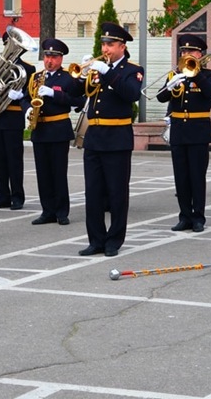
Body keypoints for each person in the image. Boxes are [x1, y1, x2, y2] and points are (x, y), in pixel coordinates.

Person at [73, 23, 143, 257]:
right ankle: (96, 240)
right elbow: (80, 95)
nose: (106, 48)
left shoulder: (132, 69)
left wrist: (108, 72)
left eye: (110, 44)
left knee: (116, 193)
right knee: (92, 192)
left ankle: (114, 240)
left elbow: (132, 94)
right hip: (94, 138)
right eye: (103, 44)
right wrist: (81, 77)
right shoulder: (96, 69)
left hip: (117, 138)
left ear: (122, 46)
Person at [157, 33, 211, 233]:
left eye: (190, 51)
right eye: (183, 51)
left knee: (197, 176)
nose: (186, 54)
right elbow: (160, 97)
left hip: (198, 131)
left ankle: (198, 217)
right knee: (181, 177)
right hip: (179, 131)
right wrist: (171, 84)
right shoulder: (174, 74)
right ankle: (184, 216)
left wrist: (196, 75)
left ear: (199, 53)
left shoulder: (208, 75)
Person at [21, 39, 84, 226]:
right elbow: (25, 98)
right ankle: (47, 211)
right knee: (43, 173)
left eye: (54, 57)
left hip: (58, 129)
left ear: (61, 58)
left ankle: (62, 212)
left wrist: (54, 94)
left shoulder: (68, 78)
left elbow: (79, 101)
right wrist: (27, 109)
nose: (49, 60)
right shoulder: (35, 77)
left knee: (58, 172)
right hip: (39, 129)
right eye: (47, 56)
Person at [0, 31, 36, 211]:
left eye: (10, 45)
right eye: (7, 44)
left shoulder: (28, 68)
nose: (8, 48)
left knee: (14, 160)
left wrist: (18, 96)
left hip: (13, 116)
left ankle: (17, 197)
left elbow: (29, 93)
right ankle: (2, 196)